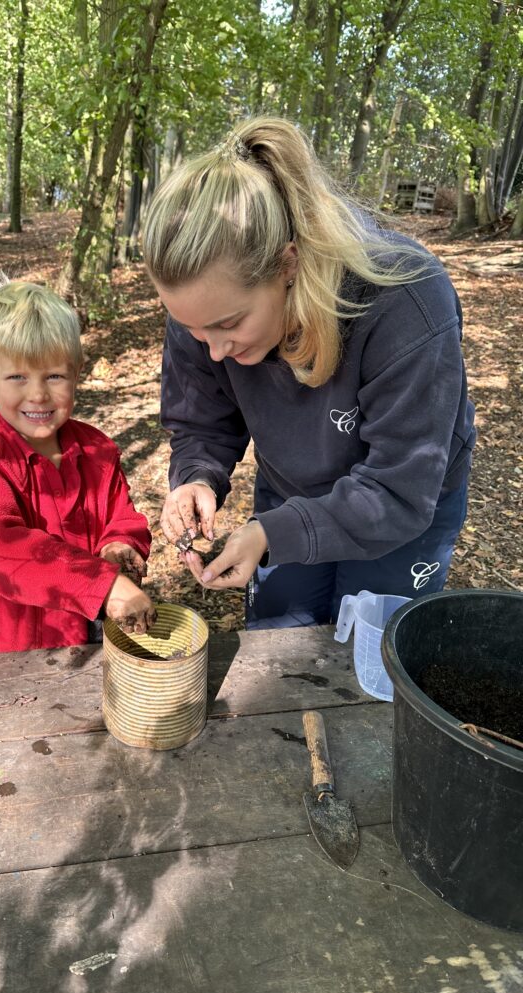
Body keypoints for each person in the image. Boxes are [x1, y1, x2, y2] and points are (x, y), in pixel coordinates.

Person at [142, 116, 475, 629]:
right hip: (291, 489)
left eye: (229, 325)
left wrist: (271, 534)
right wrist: (196, 477)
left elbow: (399, 489)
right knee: (279, 647)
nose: (213, 351)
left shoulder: (405, 301)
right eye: (193, 330)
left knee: (370, 656)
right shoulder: (202, 310)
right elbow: (202, 420)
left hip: (402, 509)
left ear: (288, 265)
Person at [0, 277, 155, 658]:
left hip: (87, 635)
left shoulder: (97, 450)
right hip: (2, 646)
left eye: (54, 376)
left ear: (77, 371)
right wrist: (104, 586)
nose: (38, 394)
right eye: (17, 377)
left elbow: (122, 517)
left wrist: (119, 545)